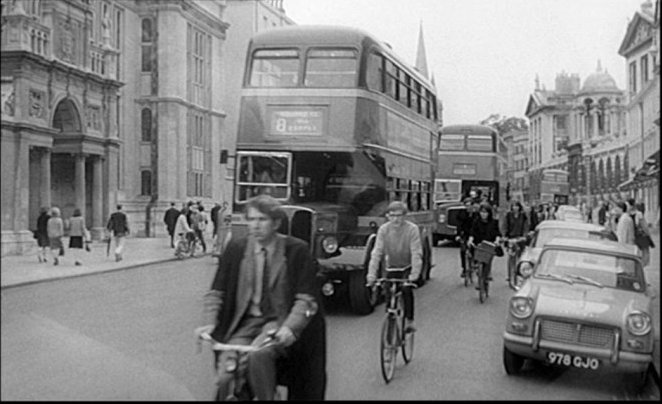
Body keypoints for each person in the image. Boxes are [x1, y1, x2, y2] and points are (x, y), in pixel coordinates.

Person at [195, 195, 326, 400]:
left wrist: (289, 328)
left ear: (276, 223)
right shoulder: (236, 249)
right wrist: (208, 323)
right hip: (245, 322)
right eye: (252, 219)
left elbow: (306, 299)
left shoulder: (295, 250)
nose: (255, 226)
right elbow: (216, 292)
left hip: (276, 322)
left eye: (262, 220)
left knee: (258, 354)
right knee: (226, 368)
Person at [366, 201, 422, 333]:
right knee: (388, 291)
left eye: (399, 215)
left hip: (407, 266)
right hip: (391, 266)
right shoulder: (384, 230)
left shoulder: (412, 229)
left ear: (405, 216)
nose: (396, 219)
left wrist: (414, 274)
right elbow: (376, 253)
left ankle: (409, 321)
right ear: (387, 216)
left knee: (406, 290)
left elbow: (416, 253)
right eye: (392, 216)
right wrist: (371, 275)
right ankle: (391, 320)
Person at [467, 202, 502, 285]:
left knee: (487, 263)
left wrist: (497, 241)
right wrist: (470, 240)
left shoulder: (494, 222)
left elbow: (497, 233)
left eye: (485, 212)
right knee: (476, 257)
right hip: (479, 244)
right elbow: (472, 233)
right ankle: (477, 270)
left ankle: (485, 278)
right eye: (482, 212)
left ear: (489, 213)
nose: (483, 214)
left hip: (489, 245)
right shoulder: (476, 222)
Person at [501, 201, 529, 281]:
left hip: (520, 239)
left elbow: (526, 226)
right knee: (511, 257)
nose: (515, 208)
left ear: (519, 207)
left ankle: (519, 273)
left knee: (520, 257)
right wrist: (504, 236)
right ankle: (510, 274)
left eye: (516, 206)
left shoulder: (523, 216)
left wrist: (524, 236)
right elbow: (504, 226)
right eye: (513, 206)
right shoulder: (508, 215)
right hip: (511, 238)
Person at [455, 198, 479, 278]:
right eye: (466, 205)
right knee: (463, 250)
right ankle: (464, 269)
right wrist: (458, 235)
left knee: (475, 248)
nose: (468, 207)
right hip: (465, 234)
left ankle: (475, 262)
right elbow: (459, 225)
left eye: (470, 205)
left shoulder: (476, 215)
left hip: (474, 234)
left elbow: (477, 226)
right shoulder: (461, 214)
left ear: (473, 206)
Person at [628, 198, 652, 267]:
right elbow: (644, 226)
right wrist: (648, 235)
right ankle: (642, 264)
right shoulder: (639, 214)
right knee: (644, 251)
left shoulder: (627, 214)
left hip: (632, 234)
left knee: (635, 250)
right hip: (640, 235)